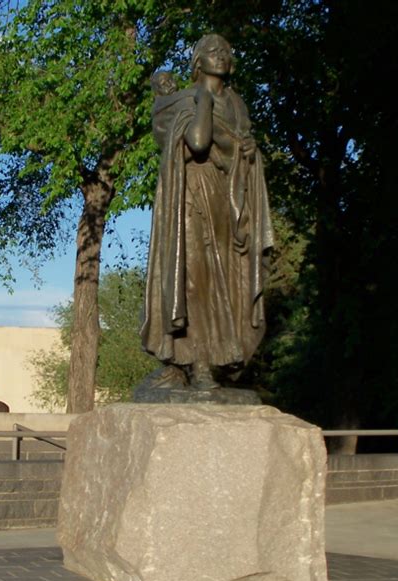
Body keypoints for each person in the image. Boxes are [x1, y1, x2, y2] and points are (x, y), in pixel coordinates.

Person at [141, 34, 273, 389]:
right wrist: (201, 98)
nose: (221, 55)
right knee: (193, 278)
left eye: (226, 51)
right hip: (189, 197)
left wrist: (248, 150)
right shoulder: (183, 100)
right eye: (212, 51)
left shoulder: (236, 103)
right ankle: (193, 363)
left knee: (225, 282)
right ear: (197, 62)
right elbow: (197, 142)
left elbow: (239, 149)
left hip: (227, 200)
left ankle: (217, 358)